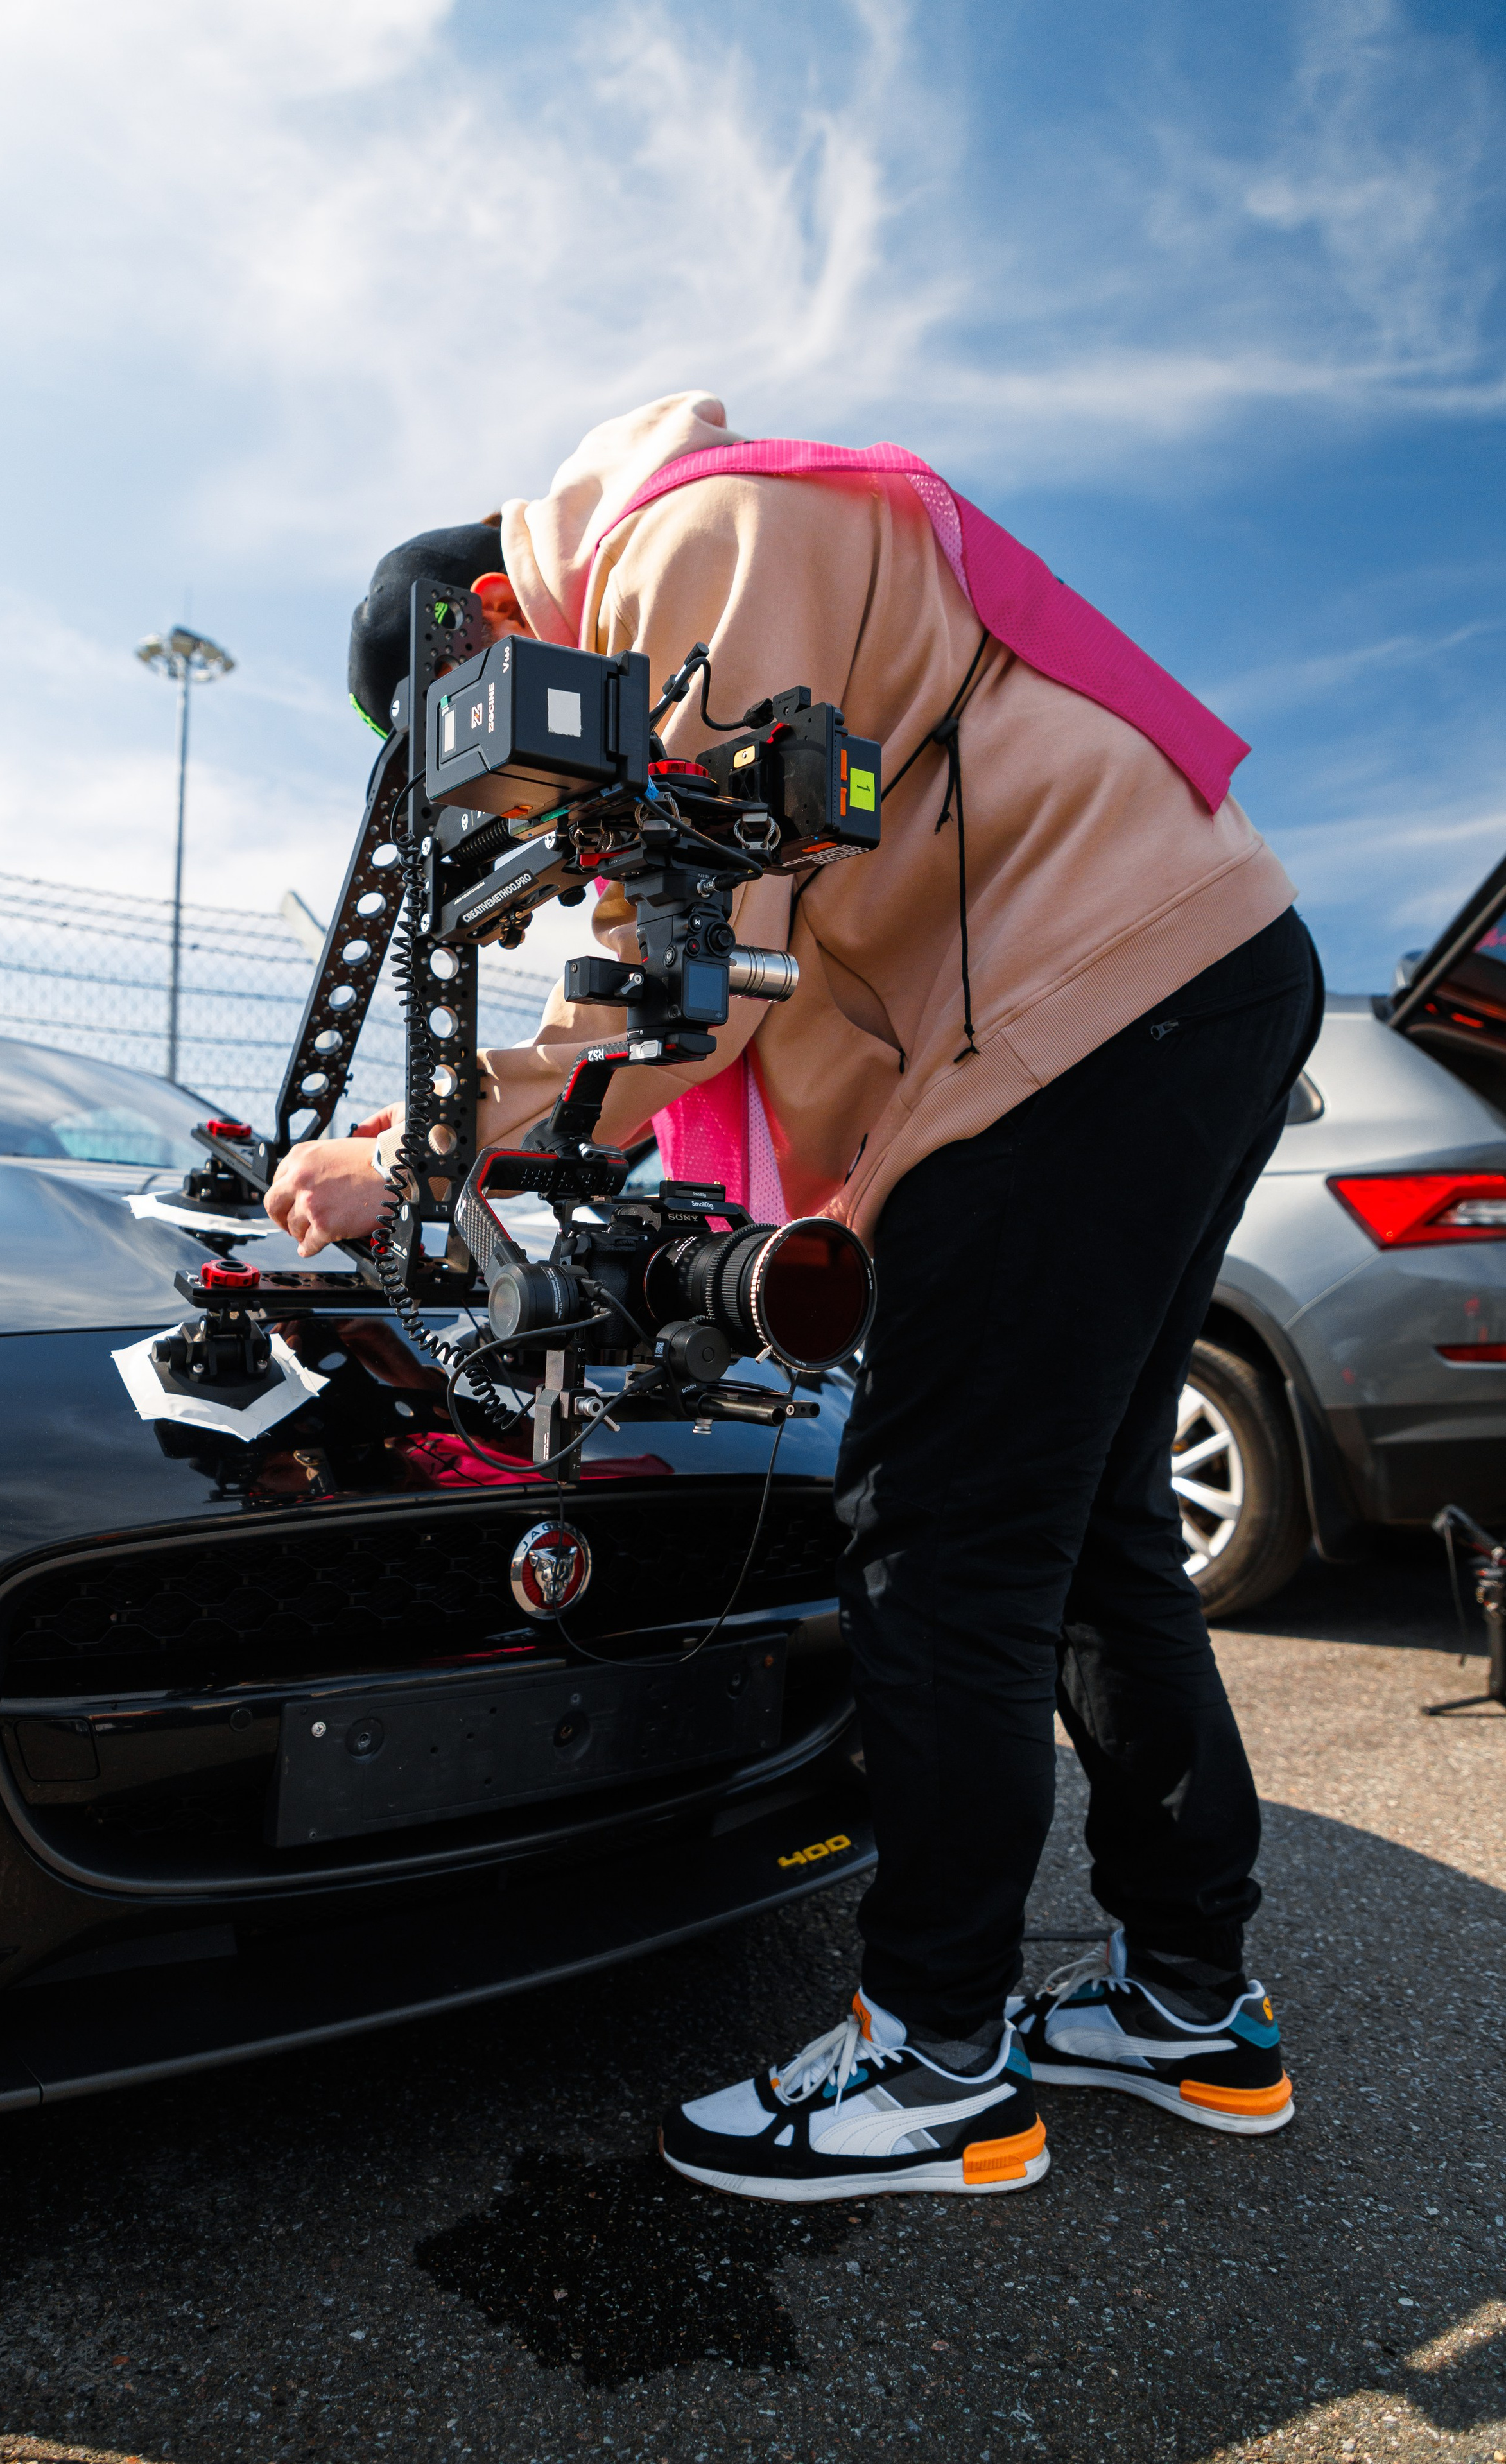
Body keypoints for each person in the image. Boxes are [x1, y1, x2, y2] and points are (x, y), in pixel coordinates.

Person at [266, 392, 1319, 2205]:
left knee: (945, 1541)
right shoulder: (724, 541)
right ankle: (1185, 1998)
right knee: (1090, 1536)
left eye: (490, 765)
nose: (523, 811)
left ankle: (932, 2065)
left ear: (490, 638)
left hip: (1075, 1013)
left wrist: (423, 1143)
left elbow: (705, 959)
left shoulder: (696, 546)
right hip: (1180, 979)